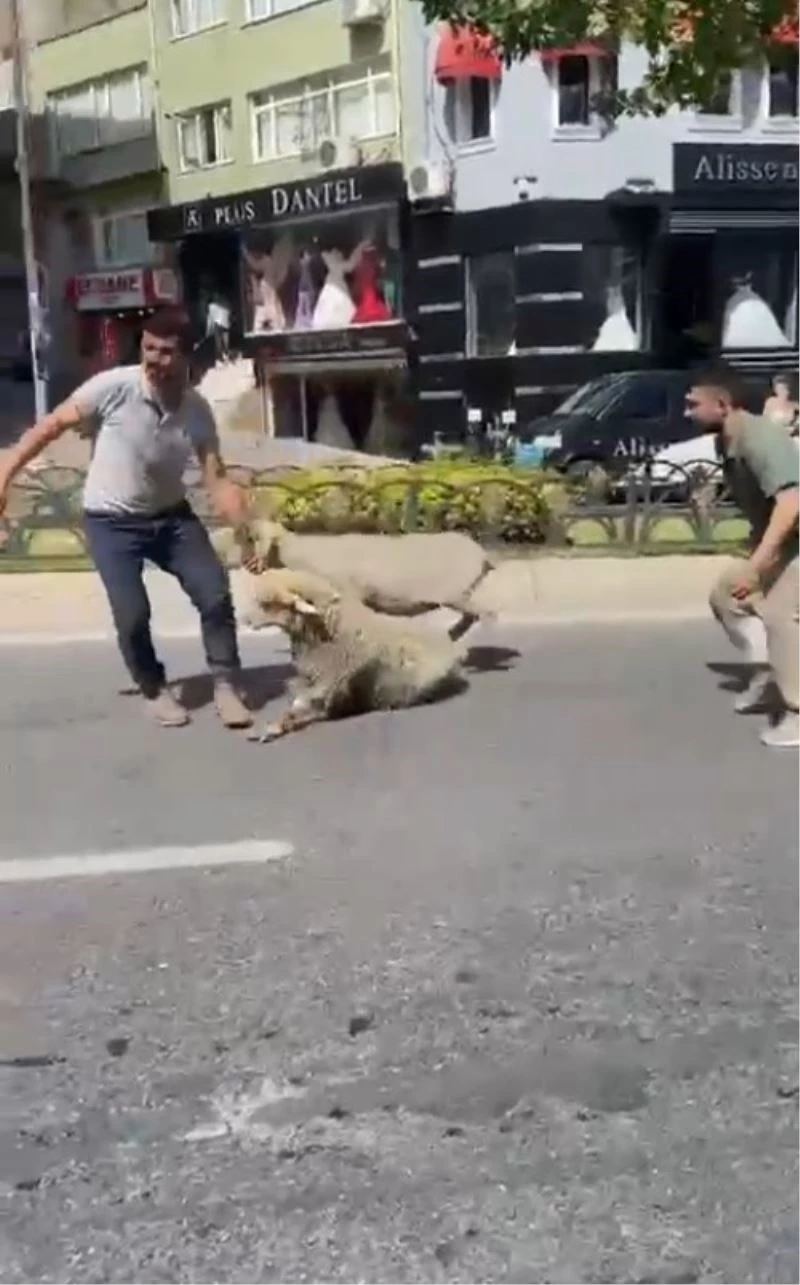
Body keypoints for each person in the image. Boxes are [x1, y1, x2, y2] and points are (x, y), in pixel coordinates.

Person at [0, 308, 253, 730]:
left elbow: (217, 478)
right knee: (132, 614)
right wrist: (5, 473)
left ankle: (227, 684)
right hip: (111, 521)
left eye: (166, 351)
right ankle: (153, 688)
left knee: (214, 593)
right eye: (148, 348)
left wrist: (248, 532)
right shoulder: (114, 387)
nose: (154, 358)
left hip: (172, 519)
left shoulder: (196, 410)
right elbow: (50, 426)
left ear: (186, 356)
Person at [686, 369, 799, 748]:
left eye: (693, 404)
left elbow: (791, 504)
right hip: (780, 543)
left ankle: (798, 713)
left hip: (794, 543)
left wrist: (757, 567)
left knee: (782, 615)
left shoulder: (761, 437)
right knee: (726, 597)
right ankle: (770, 670)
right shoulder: (726, 441)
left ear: (722, 405)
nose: (687, 412)